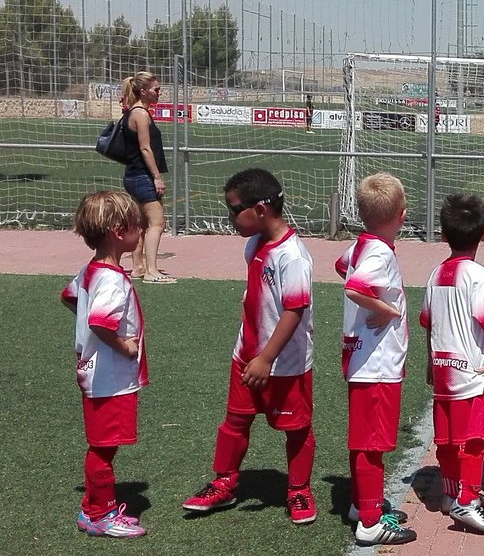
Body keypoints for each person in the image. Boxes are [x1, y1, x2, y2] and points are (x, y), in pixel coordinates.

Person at [182, 168, 318, 525]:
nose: (230, 219)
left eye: (234, 210)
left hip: (284, 363)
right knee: (235, 421)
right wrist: (253, 355)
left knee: (297, 428)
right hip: (246, 355)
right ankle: (224, 482)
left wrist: (267, 359)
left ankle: (299, 490)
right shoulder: (253, 245)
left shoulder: (293, 257)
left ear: (260, 209)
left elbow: (294, 309)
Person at [333, 173, 416, 546]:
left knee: (363, 439)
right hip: (376, 363)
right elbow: (354, 286)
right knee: (373, 444)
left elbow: (342, 267)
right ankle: (370, 522)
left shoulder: (362, 246)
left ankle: (361, 504)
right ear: (401, 215)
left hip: (362, 357)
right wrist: (386, 310)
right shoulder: (380, 252)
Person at [421, 193, 484, 535]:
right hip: (470, 370)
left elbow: (429, 323)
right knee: (474, 438)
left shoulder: (435, 274)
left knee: (445, 437)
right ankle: (468, 501)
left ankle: (448, 493)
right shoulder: (478, 275)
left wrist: (430, 363)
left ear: (444, 235)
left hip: (443, 369)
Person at [63, 190, 148, 538]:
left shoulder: (92, 270)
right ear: (117, 230)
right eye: (136, 226)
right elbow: (101, 321)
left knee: (103, 444)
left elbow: (69, 296)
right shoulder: (111, 279)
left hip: (93, 372)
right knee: (103, 447)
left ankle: (96, 508)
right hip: (108, 377)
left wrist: (85, 324)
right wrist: (124, 346)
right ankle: (98, 513)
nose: (140, 231)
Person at [120, 71, 174, 284]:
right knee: (157, 224)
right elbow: (145, 148)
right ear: (143, 91)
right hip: (142, 176)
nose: (159, 93)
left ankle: (138, 267)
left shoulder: (133, 111)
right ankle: (151, 271)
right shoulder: (140, 114)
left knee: (141, 225)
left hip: (133, 175)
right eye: (156, 89)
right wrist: (156, 177)